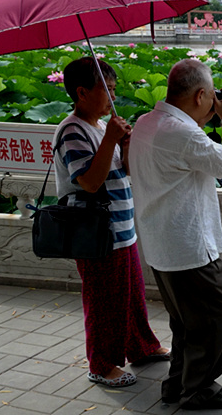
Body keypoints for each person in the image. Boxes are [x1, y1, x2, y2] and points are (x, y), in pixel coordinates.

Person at [128, 58, 222, 410]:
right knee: (221, 312)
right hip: (189, 248)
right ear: (200, 95)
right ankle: (198, 389)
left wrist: (209, 113)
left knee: (186, 322)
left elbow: (189, 145)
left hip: (161, 245)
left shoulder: (147, 123)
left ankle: (176, 384)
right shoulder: (181, 134)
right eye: (209, 97)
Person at [54, 57, 170, 388]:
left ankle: (141, 346)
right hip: (95, 232)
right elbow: (89, 182)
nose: (113, 97)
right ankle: (101, 364)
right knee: (103, 299)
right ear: (81, 93)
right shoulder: (72, 130)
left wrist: (125, 144)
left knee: (131, 292)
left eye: (115, 89)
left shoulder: (101, 127)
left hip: (121, 227)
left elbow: (125, 171)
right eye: (106, 90)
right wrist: (109, 141)